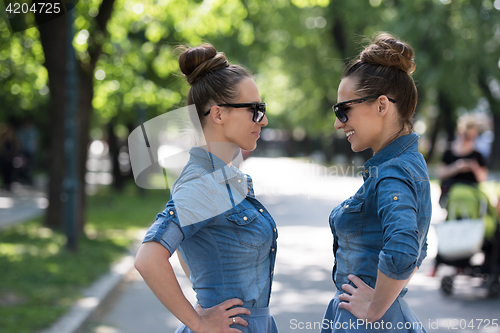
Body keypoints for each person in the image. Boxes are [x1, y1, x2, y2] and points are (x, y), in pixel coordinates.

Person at [134, 43, 279, 333]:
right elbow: (149, 258)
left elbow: (192, 246)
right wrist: (198, 321)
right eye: (254, 110)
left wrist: (207, 288)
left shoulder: (221, 178)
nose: (262, 119)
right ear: (218, 114)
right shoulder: (203, 183)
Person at [322, 33, 431, 332]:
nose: (338, 122)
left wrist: (375, 307)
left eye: (344, 110)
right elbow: (419, 246)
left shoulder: (393, 172)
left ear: (382, 106)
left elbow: (404, 249)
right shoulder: (409, 163)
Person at [438, 116, 487, 208]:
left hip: (470, 194)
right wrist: (457, 167)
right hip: (451, 193)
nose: (468, 140)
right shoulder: (449, 152)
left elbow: (483, 178)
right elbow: (441, 174)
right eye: (466, 136)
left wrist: (474, 167)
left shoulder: (477, 155)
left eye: (471, 137)